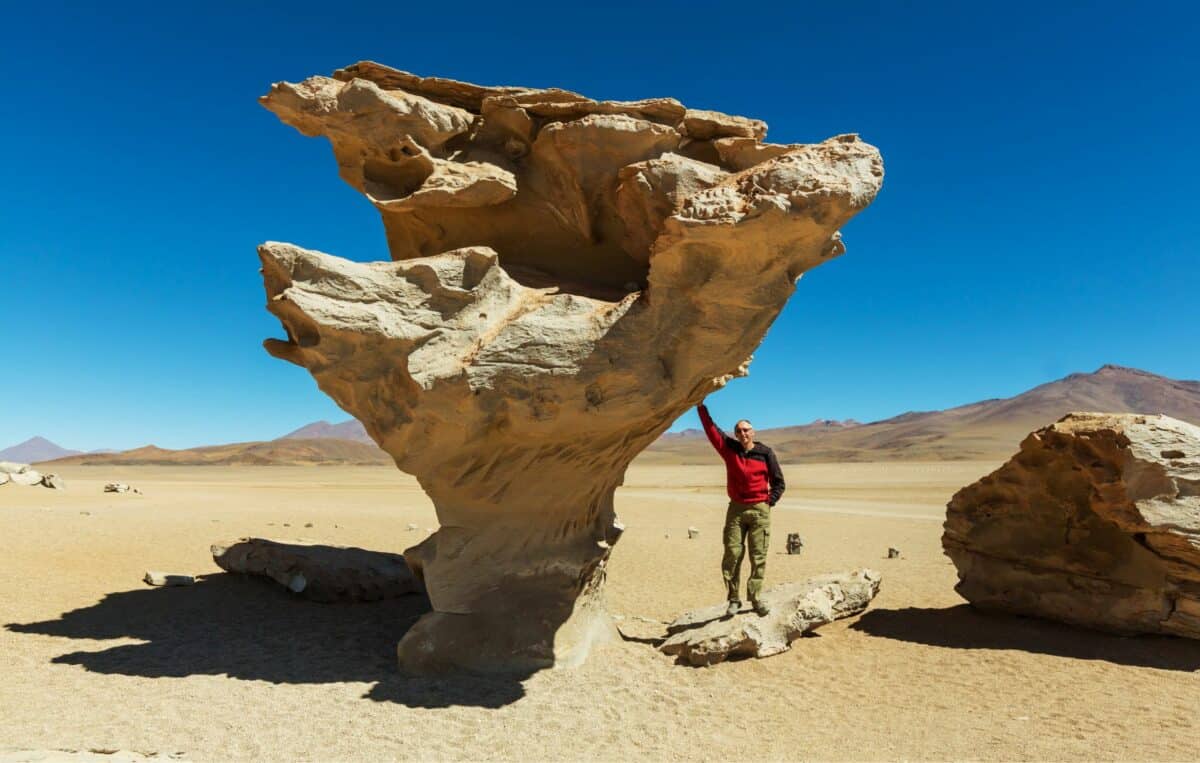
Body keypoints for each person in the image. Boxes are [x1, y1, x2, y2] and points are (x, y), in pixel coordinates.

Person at [697, 400, 785, 617]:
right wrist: (700, 406)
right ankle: (733, 599)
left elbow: (779, 482)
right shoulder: (729, 450)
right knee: (732, 554)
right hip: (736, 510)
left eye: (746, 430)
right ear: (735, 434)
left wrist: (768, 502)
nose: (743, 433)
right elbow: (711, 430)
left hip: (759, 511)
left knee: (758, 555)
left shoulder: (765, 453)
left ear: (753, 432)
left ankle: (755, 598)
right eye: (739, 431)